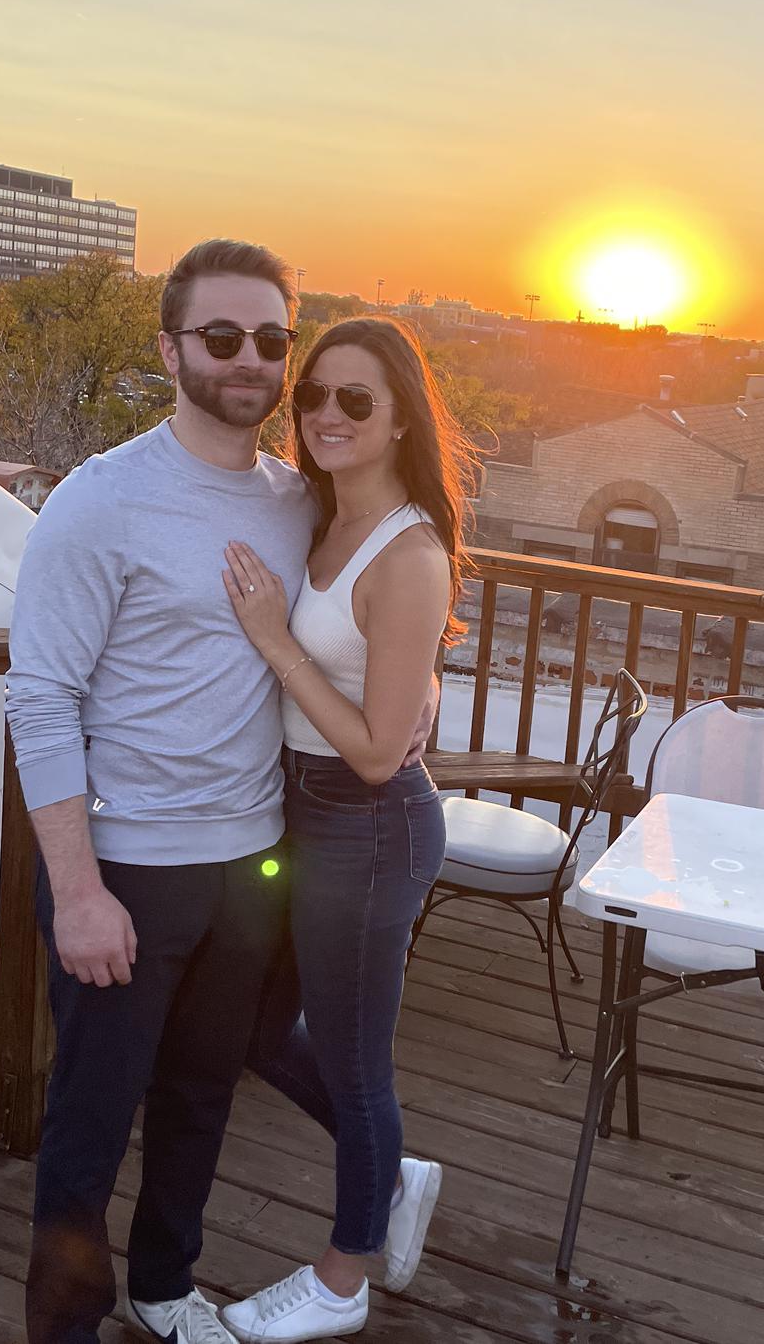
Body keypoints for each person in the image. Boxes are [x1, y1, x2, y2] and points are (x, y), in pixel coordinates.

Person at [7, 239, 316, 1344]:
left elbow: (349, 627)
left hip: (250, 865)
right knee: (90, 1123)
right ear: (169, 349)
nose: (248, 358)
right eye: (221, 336)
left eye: (271, 339)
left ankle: (166, 1288)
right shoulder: (104, 502)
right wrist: (78, 890)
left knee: (199, 1099)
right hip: (126, 868)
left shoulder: (299, 502)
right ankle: (66, 1328)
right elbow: (40, 700)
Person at [218, 316, 473, 1344]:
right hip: (298, 811)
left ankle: (342, 1278)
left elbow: (376, 752)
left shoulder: (406, 553)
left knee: (359, 1065)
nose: (326, 414)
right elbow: (392, 685)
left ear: (401, 415)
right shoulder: (316, 515)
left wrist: (277, 643)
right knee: (253, 1026)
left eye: (355, 399)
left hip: (367, 826)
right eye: (312, 394)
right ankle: (395, 1173)